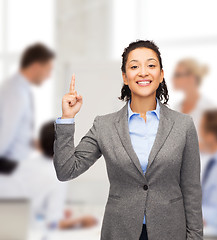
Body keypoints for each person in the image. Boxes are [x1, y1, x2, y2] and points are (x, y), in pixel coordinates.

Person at [53, 40, 203, 240]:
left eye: (151, 65)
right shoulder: (104, 126)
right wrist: (67, 118)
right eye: (134, 66)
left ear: (161, 74)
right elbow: (66, 170)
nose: (143, 72)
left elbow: (192, 189)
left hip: (170, 231)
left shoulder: (183, 125)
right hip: (119, 231)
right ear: (125, 76)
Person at [1, 120, 98, 230]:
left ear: (38, 142)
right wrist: (81, 221)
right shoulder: (58, 175)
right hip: (26, 231)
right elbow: (53, 224)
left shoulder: (23, 165)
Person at [0, 42, 55, 174]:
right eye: (48, 69)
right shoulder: (16, 92)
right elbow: (6, 132)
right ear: (36, 66)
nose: (49, 76)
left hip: (13, 166)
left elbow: (14, 129)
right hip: (9, 168)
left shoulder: (19, 89)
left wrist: (33, 142)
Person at [171, 58, 216, 131]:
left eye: (178, 75)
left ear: (191, 78)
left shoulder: (209, 109)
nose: (173, 79)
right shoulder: (177, 108)